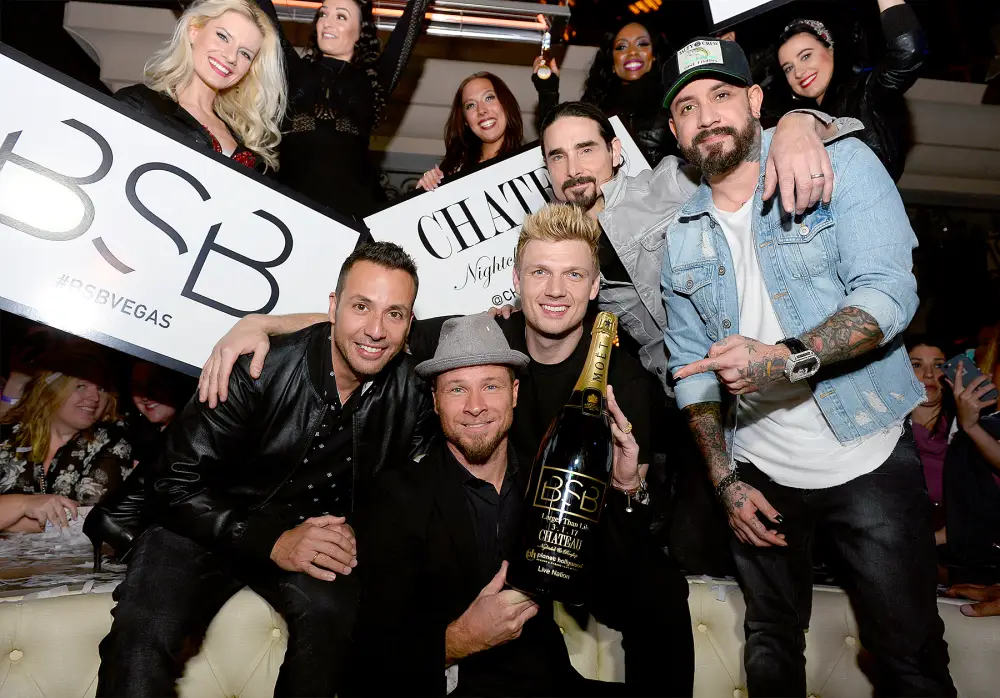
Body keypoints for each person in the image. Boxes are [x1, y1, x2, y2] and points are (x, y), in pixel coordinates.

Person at [196, 205, 695, 694]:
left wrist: (627, 485)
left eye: (573, 275)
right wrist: (261, 323)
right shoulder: (477, 340)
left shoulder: (619, 383)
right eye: (540, 272)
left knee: (661, 592)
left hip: (567, 534)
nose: (556, 290)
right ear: (516, 281)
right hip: (471, 533)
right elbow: (374, 327)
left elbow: (622, 548)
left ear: (593, 287)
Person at [659, 36, 953, 696]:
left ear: (757, 100)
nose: (706, 115)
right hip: (761, 469)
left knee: (908, 659)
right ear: (675, 130)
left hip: (868, 454)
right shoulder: (679, 236)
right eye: (687, 107)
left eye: (722, 95)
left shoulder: (837, 163)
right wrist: (725, 479)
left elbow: (889, 292)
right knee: (769, 647)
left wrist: (789, 360)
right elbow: (689, 369)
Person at [95, 242, 435, 697]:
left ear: (409, 323)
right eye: (361, 306)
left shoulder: (410, 392)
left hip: (307, 531)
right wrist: (271, 542)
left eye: (395, 314)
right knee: (143, 635)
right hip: (199, 523)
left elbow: (402, 493)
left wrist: (358, 531)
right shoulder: (255, 367)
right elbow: (172, 485)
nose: (376, 329)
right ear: (332, 308)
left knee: (334, 622)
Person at [350, 310, 652, 696]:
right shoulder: (397, 499)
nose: (475, 406)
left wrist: (626, 486)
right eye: (457, 389)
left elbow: (624, 582)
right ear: (436, 400)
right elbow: (366, 663)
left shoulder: (547, 480)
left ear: (514, 393)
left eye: (490, 386)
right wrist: (460, 639)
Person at [255, 0, 431, 217]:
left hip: (355, 220)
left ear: (360, 32)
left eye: (341, 17)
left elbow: (410, 25)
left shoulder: (373, 82)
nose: (327, 23)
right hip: (290, 216)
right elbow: (263, 10)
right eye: (323, 14)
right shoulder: (294, 70)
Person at [116, 0, 287, 173]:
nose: (231, 57)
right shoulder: (140, 105)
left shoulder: (246, 143)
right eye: (223, 37)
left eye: (245, 53)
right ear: (194, 31)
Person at [776, 0, 928, 181]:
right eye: (788, 68)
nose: (799, 72)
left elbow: (908, 50)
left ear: (830, 49)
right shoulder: (799, 122)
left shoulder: (865, 91)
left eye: (806, 56)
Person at [0, 346, 132, 533]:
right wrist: (23, 503)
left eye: (101, 389)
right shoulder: (8, 436)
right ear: (51, 390)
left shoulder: (111, 438)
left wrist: (6, 518)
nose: (95, 397)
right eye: (81, 386)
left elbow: (89, 520)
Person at [84, 361, 196, 570]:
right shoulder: (133, 436)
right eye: (137, 385)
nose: (146, 394)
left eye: (157, 382)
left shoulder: (195, 435)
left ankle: (109, 520)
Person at [532, 21, 673, 167]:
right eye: (621, 47)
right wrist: (547, 91)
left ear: (654, 55)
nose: (632, 52)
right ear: (612, 61)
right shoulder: (596, 106)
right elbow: (559, 140)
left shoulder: (671, 100)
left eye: (642, 44)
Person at [415, 72, 524, 192]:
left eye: (488, 98)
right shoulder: (453, 173)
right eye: (470, 105)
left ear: (506, 104)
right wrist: (422, 196)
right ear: (465, 121)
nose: (481, 110)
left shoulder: (531, 165)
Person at [907, 335, 953, 542]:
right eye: (916, 365)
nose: (928, 375)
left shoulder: (965, 429)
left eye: (938, 365)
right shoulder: (887, 432)